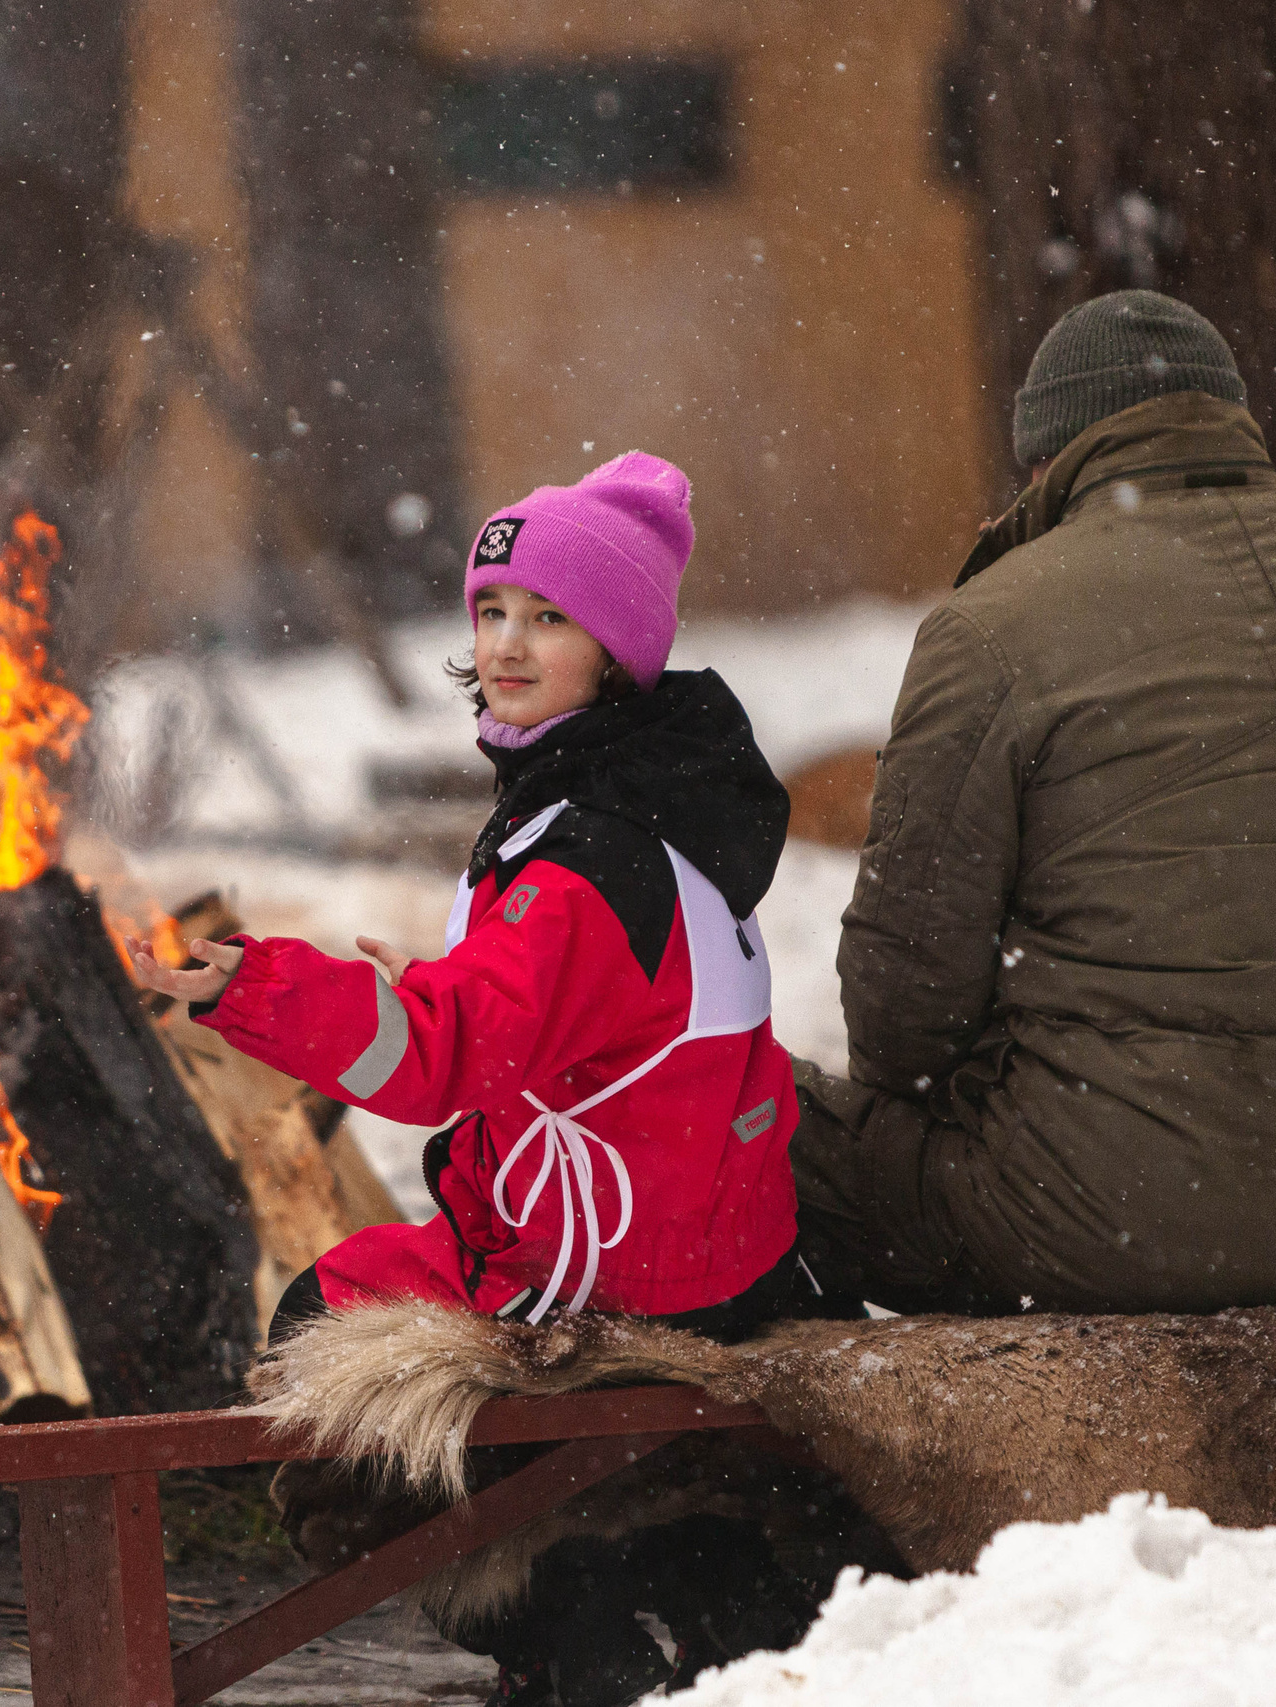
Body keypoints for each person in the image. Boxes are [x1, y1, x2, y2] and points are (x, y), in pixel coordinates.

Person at [130, 452, 830, 1705]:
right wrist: (464, 983)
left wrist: (252, 987)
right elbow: (590, 1016)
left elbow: (439, 1057)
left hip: (614, 1275)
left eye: (550, 618)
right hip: (707, 1243)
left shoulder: (586, 852)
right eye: (491, 611)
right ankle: (680, 1585)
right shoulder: (651, 802)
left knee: (322, 1312)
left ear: (619, 649)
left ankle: (559, 1624)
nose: (506, 644)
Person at [792, 291, 1276, 1321]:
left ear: (1045, 459)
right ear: (1231, 422)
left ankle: (777, 1478)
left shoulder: (997, 622)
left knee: (741, 1123)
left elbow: (900, 1014)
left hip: (1105, 1224)